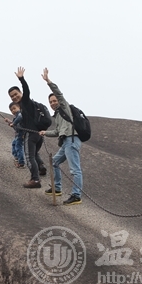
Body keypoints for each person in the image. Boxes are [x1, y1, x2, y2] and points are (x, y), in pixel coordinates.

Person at [39, 68, 83, 205]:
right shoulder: (57, 116)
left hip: (72, 139)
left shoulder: (65, 108)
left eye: (54, 101)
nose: (53, 103)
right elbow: (58, 132)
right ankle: (57, 188)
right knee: (54, 162)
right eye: (50, 102)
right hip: (65, 142)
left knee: (75, 169)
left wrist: (48, 81)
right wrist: (45, 133)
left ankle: (76, 195)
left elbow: (58, 92)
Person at [8, 67, 47, 188]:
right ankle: (40, 167)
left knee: (29, 156)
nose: (14, 97)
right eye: (12, 96)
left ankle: (35, 180)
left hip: (31, 135)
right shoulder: (23, 107)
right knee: (34, 153)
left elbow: (26, 90)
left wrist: (21, 79)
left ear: (20, 93)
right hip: (38, 134)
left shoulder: (25, 102)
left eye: (16, 94)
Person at [5, 102, 25, 168]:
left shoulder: (19, 114)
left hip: (21, 134)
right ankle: (16, 157)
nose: (13, 110)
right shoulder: (15, 117)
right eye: (11, 110)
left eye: (14, 108)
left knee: (18, 147)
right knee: (14, 144)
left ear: (19, 108)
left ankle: (21, 162)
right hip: (17, 134)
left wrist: (13, 123)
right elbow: (15, 127)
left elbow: (20, 117)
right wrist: (9, 122)